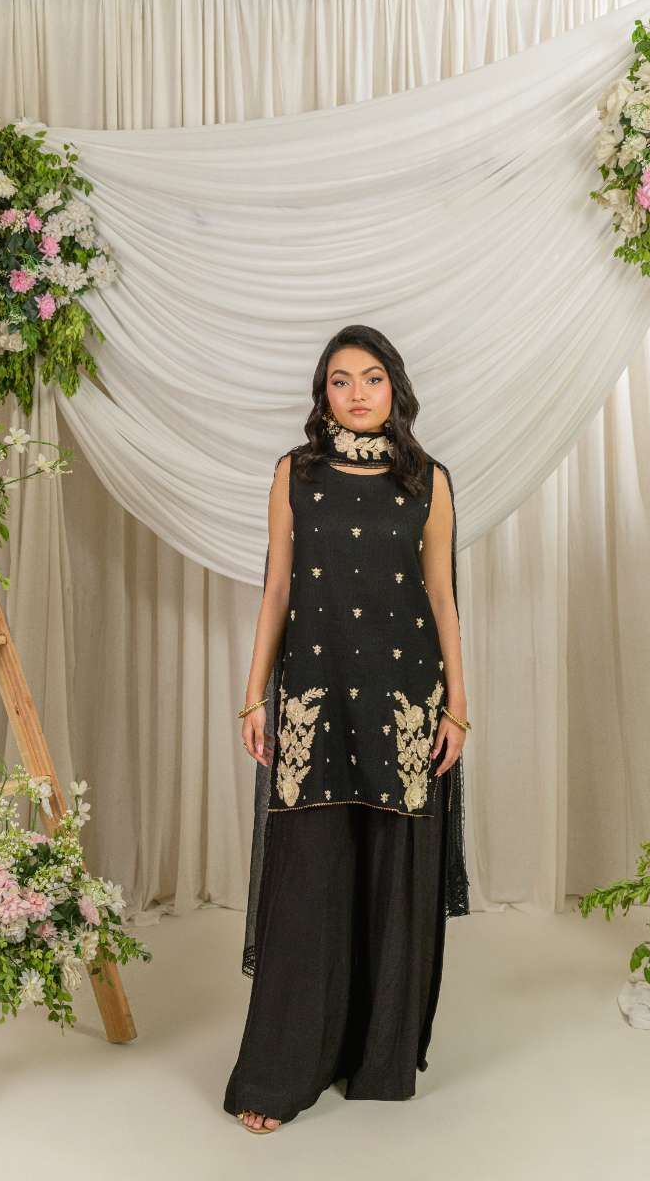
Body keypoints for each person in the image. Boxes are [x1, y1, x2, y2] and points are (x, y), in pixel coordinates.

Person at [224, 324, 471, 1133]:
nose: (356, 393)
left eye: (371, 378)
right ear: (322, 393)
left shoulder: (428, 481)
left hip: (404, 699)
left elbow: (441, 597)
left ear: (394, 387)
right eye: (340, 380)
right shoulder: (294, 475)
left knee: (393, 876)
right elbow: (277, 589)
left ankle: (376, 1058)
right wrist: (255, 696)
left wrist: (457, 707)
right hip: (317, 697)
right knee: (310, 880)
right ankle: (282, 1071)